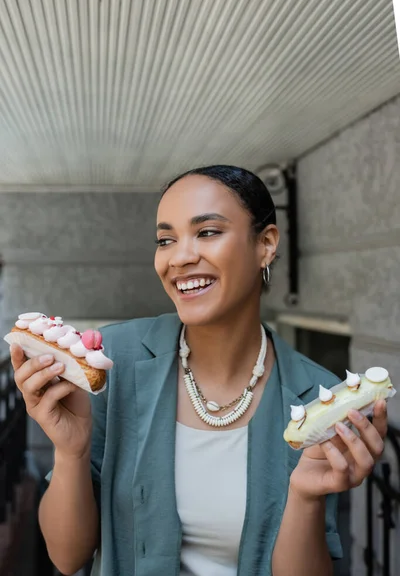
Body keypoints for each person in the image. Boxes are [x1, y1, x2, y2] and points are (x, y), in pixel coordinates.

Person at [11, 165, 387, 576]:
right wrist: (71, 451)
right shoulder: (115, 361)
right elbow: (67, 558)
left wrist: (307, 497)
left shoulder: (318, 399)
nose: (181, 257)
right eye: (165, 240)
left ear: (265, 244)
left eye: (207, 232)